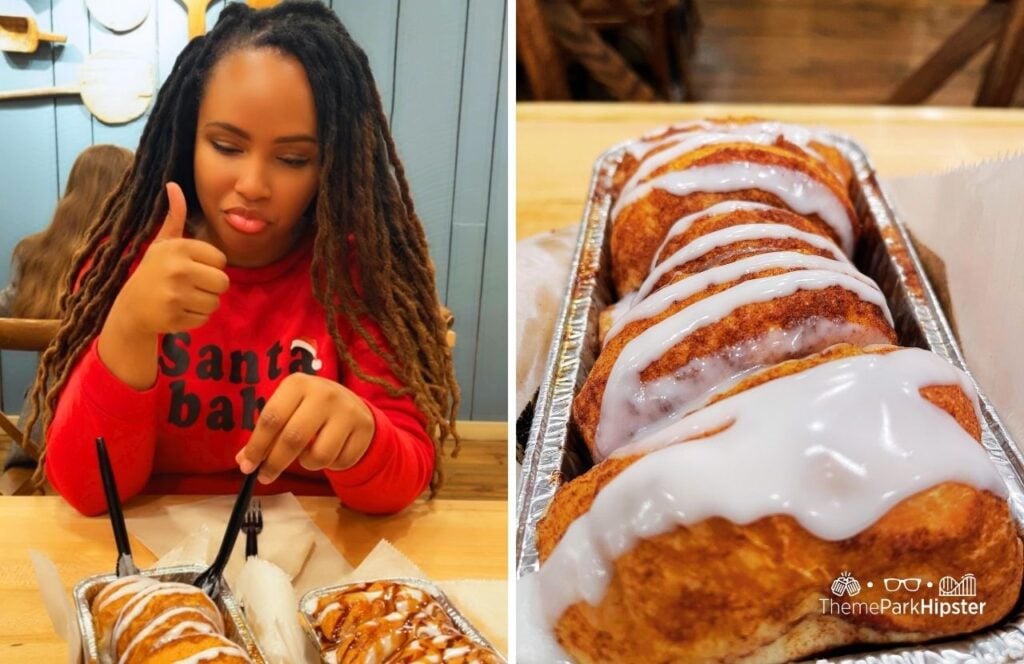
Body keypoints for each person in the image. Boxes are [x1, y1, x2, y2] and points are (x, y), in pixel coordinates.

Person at [24, 1, 460, 516]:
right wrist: (130, 326)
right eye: (227, 146)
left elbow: (403, 477)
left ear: (331, 165)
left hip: (322, 559)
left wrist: (362, 435)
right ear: (189, 139)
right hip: (149, 559)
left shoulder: (356, 275)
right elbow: (86, 491)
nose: (252, 185)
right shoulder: (122, 263)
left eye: (293, 159)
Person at [0, 144, 133, 474]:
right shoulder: (137, 259)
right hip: (120, 434)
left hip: (38, 436)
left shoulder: (34, 253)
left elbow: (8, 310)